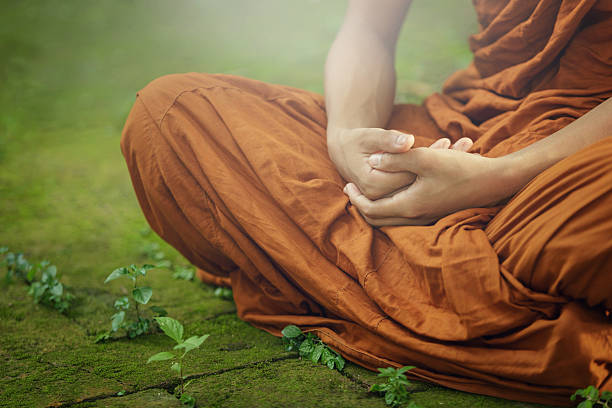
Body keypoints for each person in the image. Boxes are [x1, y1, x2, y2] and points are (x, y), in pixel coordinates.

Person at [120, 0, 612, 405]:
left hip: (578, 159)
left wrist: (500, 177)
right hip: (462, 127)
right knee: (170, 114)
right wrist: (351, 141)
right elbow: (368, 29)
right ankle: (462, 284)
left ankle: (362, 274)